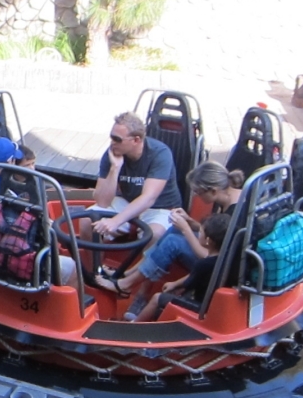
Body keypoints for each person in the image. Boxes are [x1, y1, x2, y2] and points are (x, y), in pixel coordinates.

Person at [103, 162, 244, 315]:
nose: (197, 196)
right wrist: (190, 222)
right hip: (222, 255)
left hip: (224, 268)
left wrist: (186, 230)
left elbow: (210, 257)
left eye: (198, 192)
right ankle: (131, 273)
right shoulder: (232, 198)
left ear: (213, 191)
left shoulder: (235, 215)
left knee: (172, 242)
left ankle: (127, 285)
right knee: (173, 229)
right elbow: (216, 235)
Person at [87, 112, 182, 245]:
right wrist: (115, 168)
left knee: (154, 234)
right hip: (127, 201)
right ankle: (95, 259)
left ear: (136, 140)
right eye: (111, 137)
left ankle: (140, 260)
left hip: (159, 207)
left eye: (117, 139)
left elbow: (148, 198)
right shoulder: (112, 153)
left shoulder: (159, 153)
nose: (112, 143)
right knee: (87, 220)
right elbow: (102, 202)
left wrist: (115, 221)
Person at [129, 213, 232, 322]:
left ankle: (135, 324)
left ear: (208, 241)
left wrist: (174, 286)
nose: (198, 234)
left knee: (157, 298)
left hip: (202, 309)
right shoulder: (227, 260)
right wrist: (174, 284)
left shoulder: (203, 264)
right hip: (216, 305)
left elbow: (188, 283)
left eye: (200, 232)